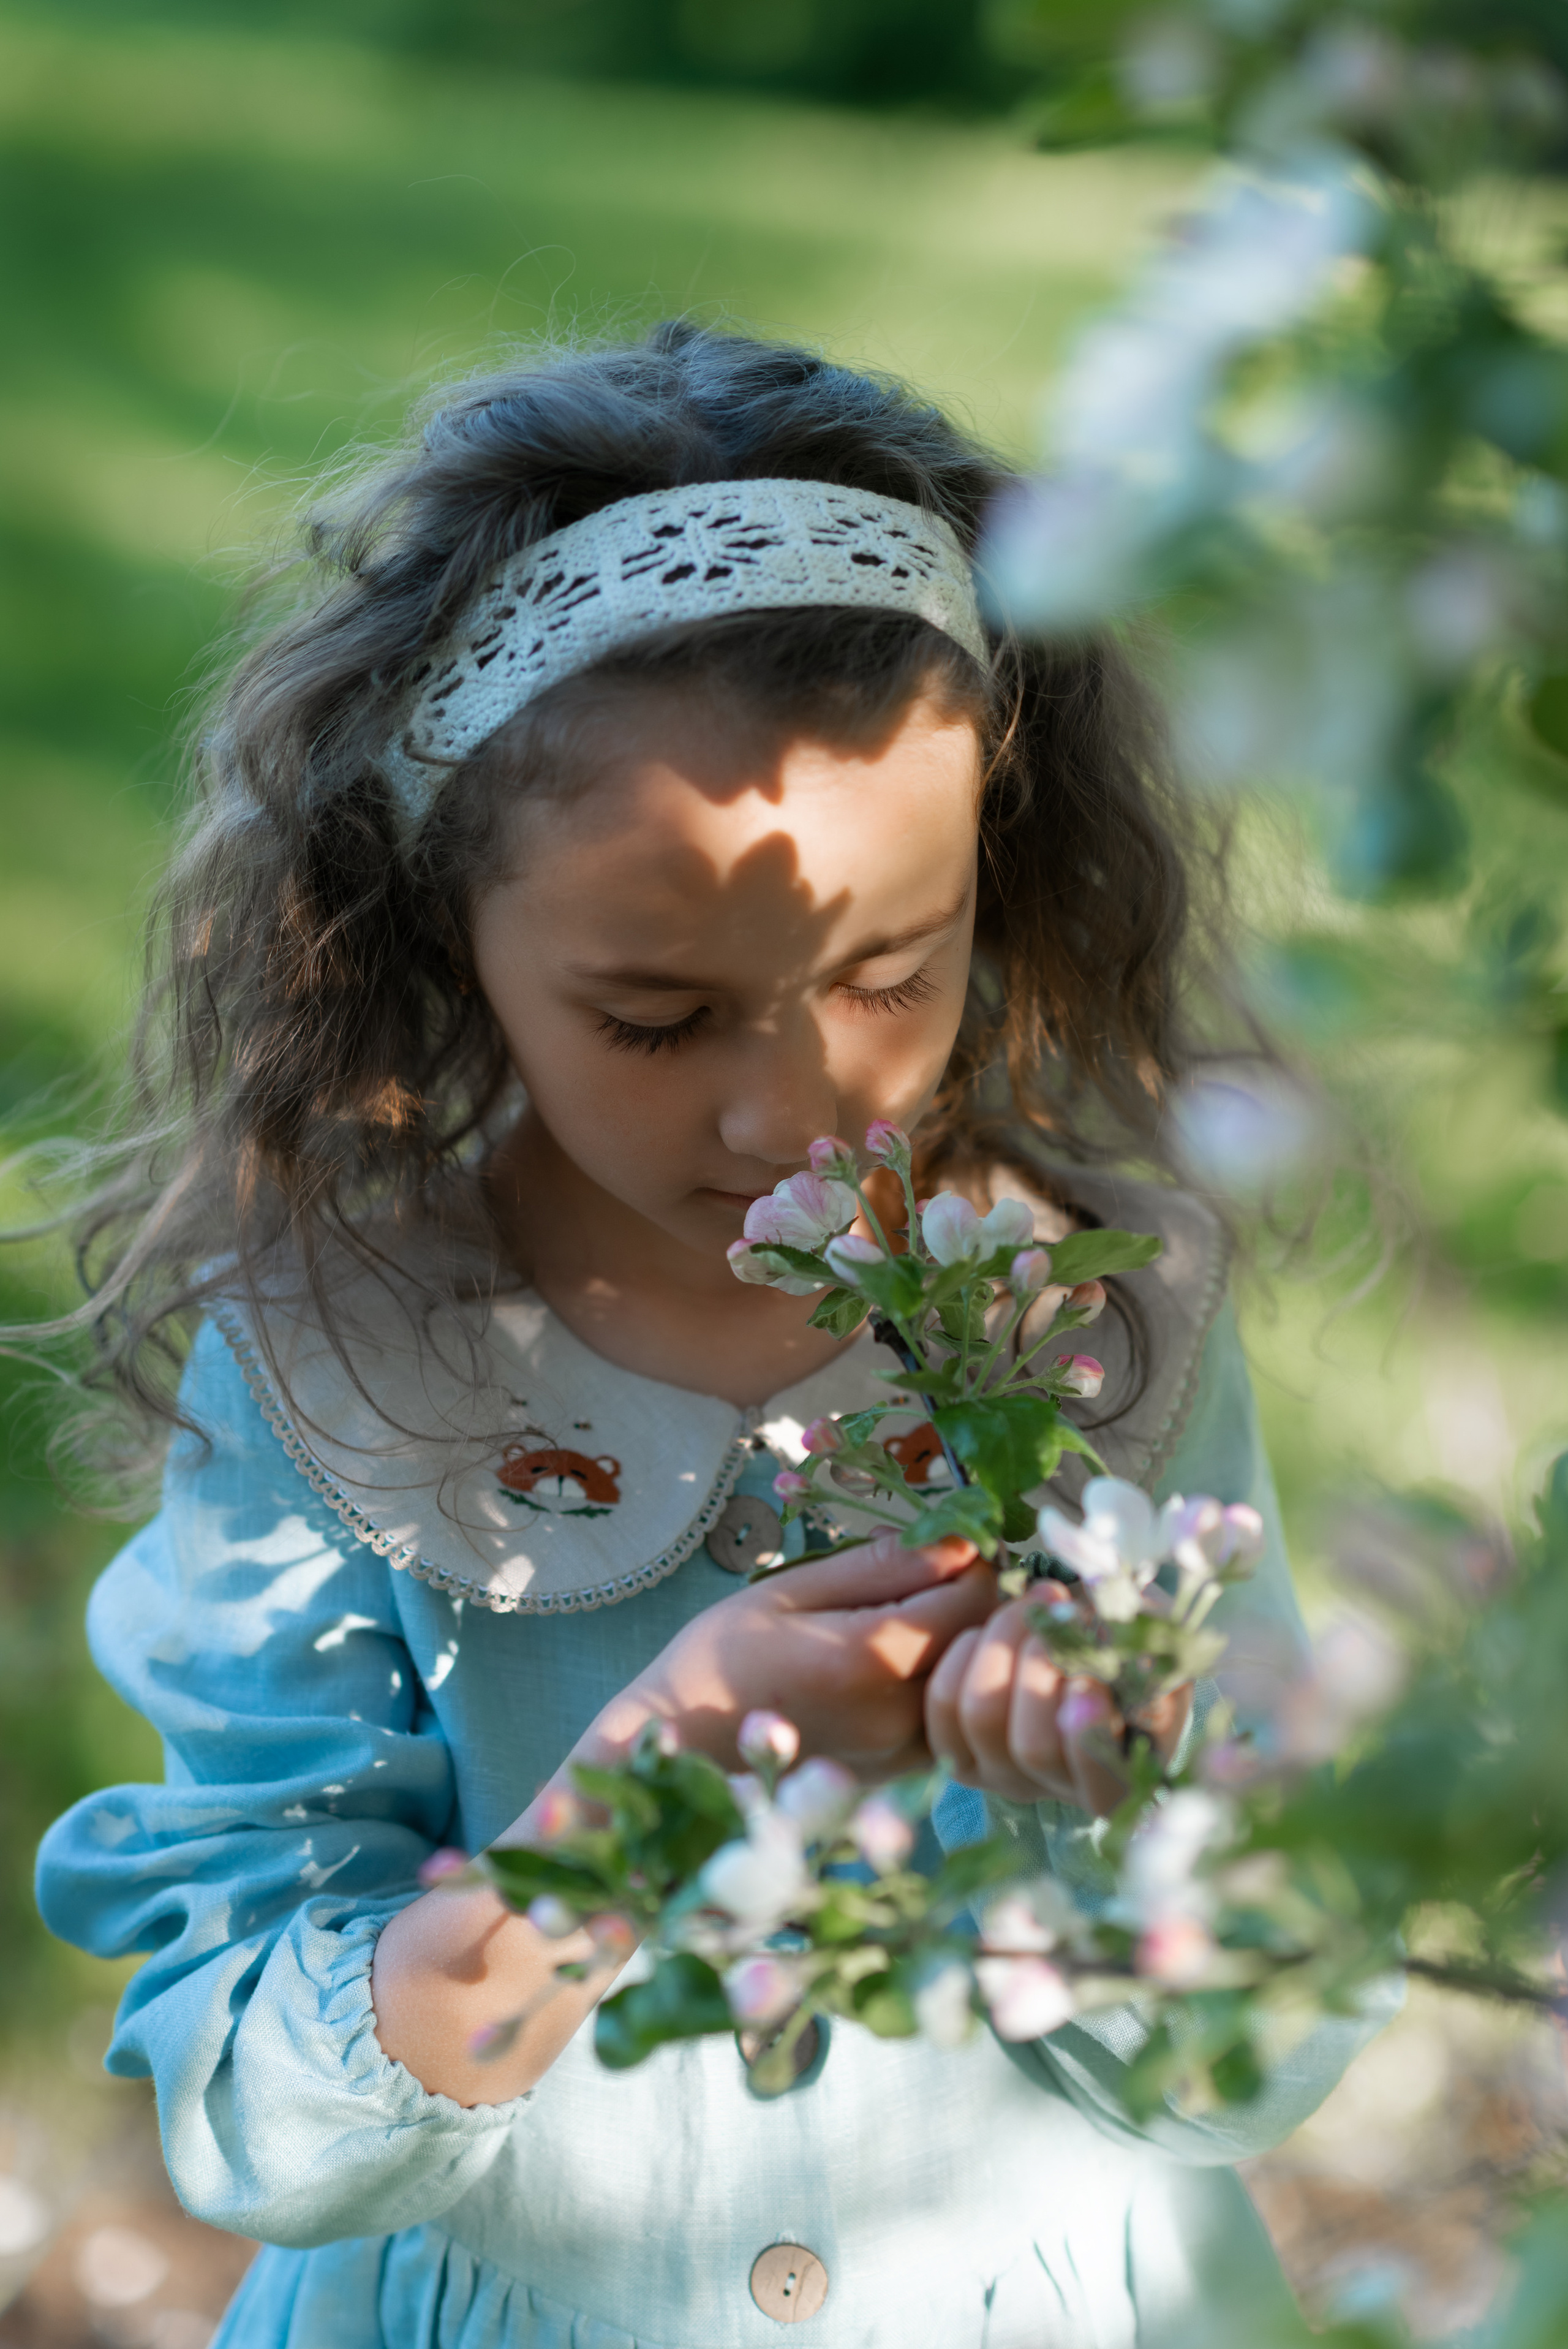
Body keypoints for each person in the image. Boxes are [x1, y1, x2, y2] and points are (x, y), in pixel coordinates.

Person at [31, 322, 1385, 2349]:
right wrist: (641, 1794)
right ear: (438, 923)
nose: (794, 1116)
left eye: (892, 971)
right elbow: (267, 2123)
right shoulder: (339, 1365)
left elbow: (1255, 2060)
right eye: (657, 1020)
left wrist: (1100, 1800)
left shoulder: (1102, 1332)